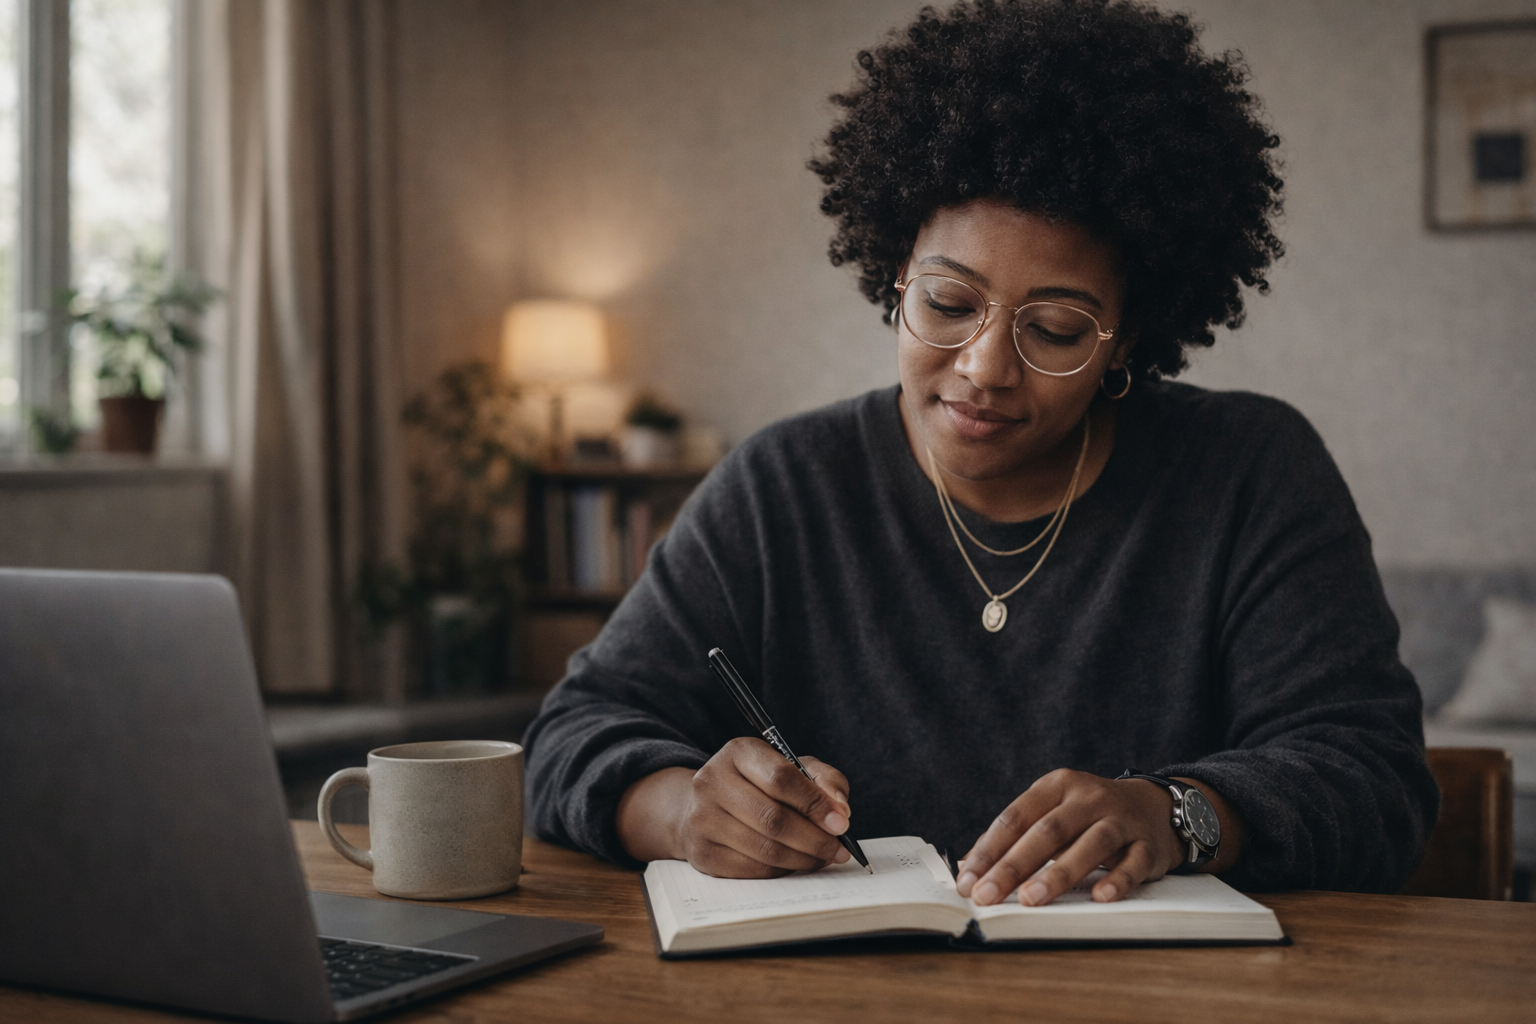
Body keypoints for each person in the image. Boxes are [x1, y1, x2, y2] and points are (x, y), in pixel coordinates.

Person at [524, 0, 1437, 907]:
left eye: (1054, 327)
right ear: (894, 279)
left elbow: (1373, 779)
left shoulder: (1249, 473)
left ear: (1128, 341)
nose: (986, 367)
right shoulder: (782, 488)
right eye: (950, 305)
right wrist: (683, 810)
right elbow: (570, 735)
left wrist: (1175, 814)